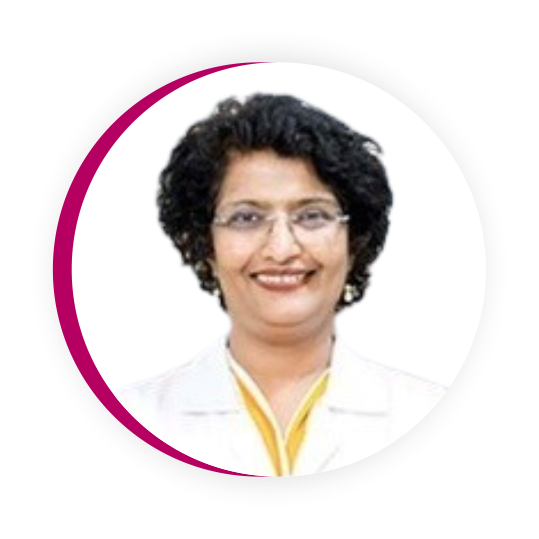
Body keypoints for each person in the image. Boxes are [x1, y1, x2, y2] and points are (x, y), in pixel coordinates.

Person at [117, 94, 446, 477]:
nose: (282, 249)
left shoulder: (434, 416)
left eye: (312, 215)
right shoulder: (130, 418)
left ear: (354, 240)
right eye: (246, 218)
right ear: (205, 243)